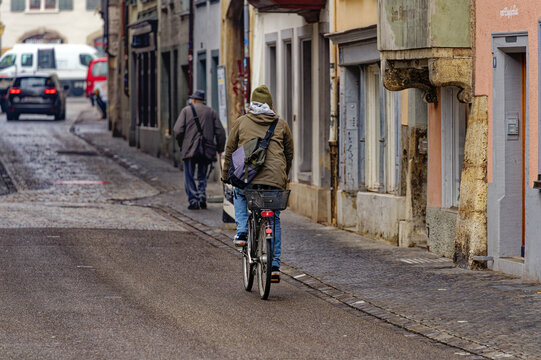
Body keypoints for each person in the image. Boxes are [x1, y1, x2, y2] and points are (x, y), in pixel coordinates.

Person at [222, 85, 293, 282]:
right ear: (270, 105)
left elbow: (229, 151)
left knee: (239, 192)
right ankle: (275, 266)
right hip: (274, 181)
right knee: (274, 219)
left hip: (248, 178)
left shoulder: (241, 122)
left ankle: (243, 232)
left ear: (251, 104)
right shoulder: (281, 124)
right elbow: (289, 154)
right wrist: (282, 176)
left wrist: (225, 176)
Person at [174, 90, 226, 210]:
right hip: (206, 148)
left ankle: (193, 200)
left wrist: (182, 143)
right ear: (203, 101)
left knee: (189, 175)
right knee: (202, 174)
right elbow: (221, 132)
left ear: (193, 100)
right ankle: (202, 195)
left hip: (190, 149)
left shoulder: (186, 111)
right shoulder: (211, 112)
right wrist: (219, 148)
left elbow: (177, 130)